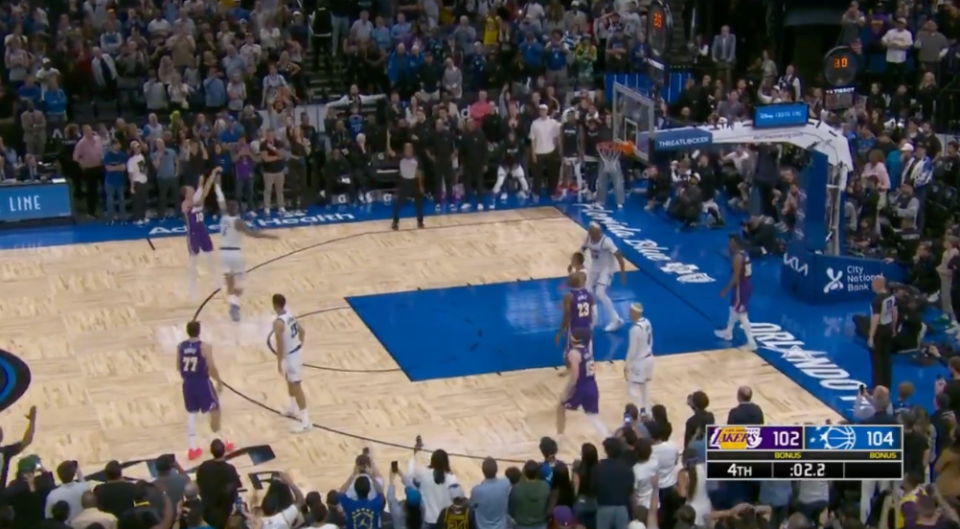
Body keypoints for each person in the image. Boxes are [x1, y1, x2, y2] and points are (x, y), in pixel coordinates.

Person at [178, 320, 233, 460]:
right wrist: (219, 380)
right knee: (215, 411)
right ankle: (223, 443)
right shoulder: (205, 347)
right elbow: (211, 367)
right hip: (202, 383)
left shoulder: (181, 346)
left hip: (187, 383)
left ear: (187, 331)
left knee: (192, 414)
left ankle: (192, 448)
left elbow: (178, 366)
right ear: (199, 331)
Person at [218, 199, 278, 321]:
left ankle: (233, 306)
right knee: (239, 285)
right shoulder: (237, 221)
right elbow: (252, 234)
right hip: (235, 253)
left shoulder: (223, 219)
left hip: (223, 253)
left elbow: (222, 204)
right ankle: (234, 307)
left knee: (230, 284)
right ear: (236, 210)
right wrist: (269, 236)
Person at [273, 293, 311, 434]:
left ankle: (306, 422)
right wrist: (300, 344)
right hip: (296, 352)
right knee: (289, 381)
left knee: (296, 386)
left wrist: (279, 361)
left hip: (291, 355)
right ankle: (292, 408)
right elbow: (302, 331)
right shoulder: (290, 315)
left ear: (274, 305)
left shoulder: (278, 323)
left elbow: (280, 344)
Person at [557, 330, 606, 437]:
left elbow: (575, 376)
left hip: (581, 388)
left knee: (560, 405)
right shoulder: (587, 351)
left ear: (572, 338)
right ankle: (607, 437)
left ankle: (560, 436)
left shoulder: (573, 353)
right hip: (592, 385)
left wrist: (567, 392)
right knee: (593, 417)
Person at [580, 223, 627, 332]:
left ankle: (615, 319)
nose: (589, 231)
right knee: (586, 288)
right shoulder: (588, 238)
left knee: (600, 293)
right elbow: (583, 248)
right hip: (595, 266)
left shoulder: (606, 241)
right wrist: (576, 261)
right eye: (589, 229)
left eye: (592, 230)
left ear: (598, 232)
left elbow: (619, 257)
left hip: (607, 268)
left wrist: (623, 274)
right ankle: (592, 314)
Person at [183, 169, 221, 297]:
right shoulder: (185, 204)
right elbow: (201, 198)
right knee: (194, 262)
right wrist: (202, 186)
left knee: (211, 257)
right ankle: (192, 288)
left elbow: (206, 189)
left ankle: (217, 282)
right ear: (186, 194)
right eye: (189, 190)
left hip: (203, 231)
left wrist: (212, 175)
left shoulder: (197, 195)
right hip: (193, 235)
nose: (192, 190)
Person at [715, 235, 757, 350]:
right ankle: (728, 332)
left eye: (731, 242)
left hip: (741, 287)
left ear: (735, 243)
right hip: (745, 284)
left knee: (742, 314)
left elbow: (736, 277)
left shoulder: (738, 257)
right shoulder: (744, 254)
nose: (729, 244)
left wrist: (726, 289)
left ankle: (751, 342)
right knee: (733, 309)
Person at [868, 276, 897, 389]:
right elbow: (894, 313)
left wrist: (871, 336)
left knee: (877, 360)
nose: (871, 285)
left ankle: (877, 387)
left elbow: (875, 318)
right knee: (887, 358)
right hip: (888, 328)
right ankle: (887, 385)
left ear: (877, 284)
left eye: (873, 283)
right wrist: (893, 328)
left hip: (879, 331)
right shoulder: (891, 296)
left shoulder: (877, 300)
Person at [624, 303, 654, 415]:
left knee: (632, 390)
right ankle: (647, 410)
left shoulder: (634, 329)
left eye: (630, 311)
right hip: (650, 358)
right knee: (645, 387)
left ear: (635, 313)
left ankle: (642, 410)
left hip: (640, 362)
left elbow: (632, 350)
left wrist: (627, 365)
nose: (629, 313)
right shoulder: (647, 322)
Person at [556, 267, 594, 350]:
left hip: (575, 328)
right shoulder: (589, 294)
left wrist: (561, 331)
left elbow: (567, 316)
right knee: (586, 352)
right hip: (587, 327)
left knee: (572, 354)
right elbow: (591, 310)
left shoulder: (569, 296)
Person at [392, 143, 425, 231]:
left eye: (409, 148)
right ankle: (395, 222)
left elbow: (420, 173)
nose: (408, 150)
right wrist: (388, 139)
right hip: (404, 182)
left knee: (418, 204)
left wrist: (421, 185)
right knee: (398, 203)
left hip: (414, 182)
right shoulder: (400, 158)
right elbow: (390, 153)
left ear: (412, 149)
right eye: (406, 148)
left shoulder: (417, 159)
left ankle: (420, 221)